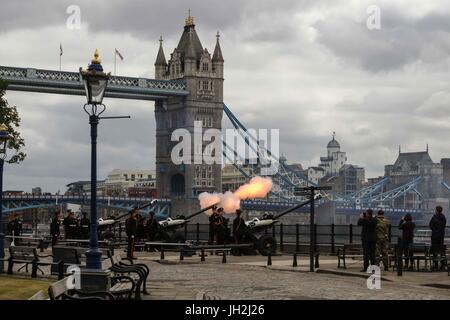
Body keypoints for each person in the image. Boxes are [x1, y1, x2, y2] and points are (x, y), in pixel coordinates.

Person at [429, 206, 447, 270]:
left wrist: (434, 229)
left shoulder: (434, 217)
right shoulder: (443, 217)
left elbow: (430, 225)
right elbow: (443, 225)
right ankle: (442, 264)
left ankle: (435, 265)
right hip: (441, 236)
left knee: (434, 251)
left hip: (434, 236)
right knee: (441, 250)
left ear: (436, 210)